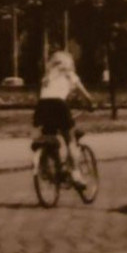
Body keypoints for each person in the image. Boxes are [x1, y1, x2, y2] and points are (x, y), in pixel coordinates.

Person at [34, 49, 95, 186]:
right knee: (70, 139)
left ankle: (47, 167)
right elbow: (84, 95)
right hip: (58, 105)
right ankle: (75, 174)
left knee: (49, 136)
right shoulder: (69, 74)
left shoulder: (47, 76)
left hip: (42, 106)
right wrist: (91, 104)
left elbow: (42, 94)